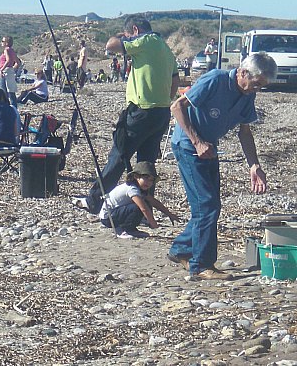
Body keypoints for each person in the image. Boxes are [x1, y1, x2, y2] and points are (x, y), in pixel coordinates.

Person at [167, 52, 277, 281]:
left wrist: (254, 165)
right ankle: (201, 265)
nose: (256, 89)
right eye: (256, 84)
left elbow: (245, 132)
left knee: (210, 205)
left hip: (209, 148)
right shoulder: (215, 80)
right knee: (206, 205)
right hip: (188, 145)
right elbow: (177, 107)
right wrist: (197, 142)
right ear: (243, 72)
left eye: (261, 87)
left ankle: (181, 249)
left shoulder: (247, 95)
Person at [73, 15, 179, 214]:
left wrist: (122, 36)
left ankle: (94, 201)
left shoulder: (144, 41)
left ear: (135, 31)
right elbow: (175, 80)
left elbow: (111, 45)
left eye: (130, 34)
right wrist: (164, 98)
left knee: (119, 156)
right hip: (161, 112)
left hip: (141, 111)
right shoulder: (165, 47)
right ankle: (142, 208)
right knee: (146, 164)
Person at [96, 161, 179, 239]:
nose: (149, 182)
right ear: (136, 177)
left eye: (151, 180)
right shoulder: (132, 189)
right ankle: (123, 230)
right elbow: (143, 208)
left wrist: (169, 214)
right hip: (108, 218)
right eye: (146, 178)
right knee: (138, 207)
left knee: (146, 203)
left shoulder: (140, 189)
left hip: (116, 213)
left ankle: (131, 229)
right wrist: (153, 223)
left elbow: (154, 202)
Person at [0, 35, 21, 108]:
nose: (1, 42)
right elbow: (18, 62)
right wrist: (13, 69)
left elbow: (7, 60)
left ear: (7, 43)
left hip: (5, 71)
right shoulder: (12, 50)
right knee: (11, 91)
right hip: (9, 71)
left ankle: (5, 107)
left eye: (3, 41)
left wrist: (1, 69)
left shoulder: (6, 50)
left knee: (3, 91)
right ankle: (14, 108)